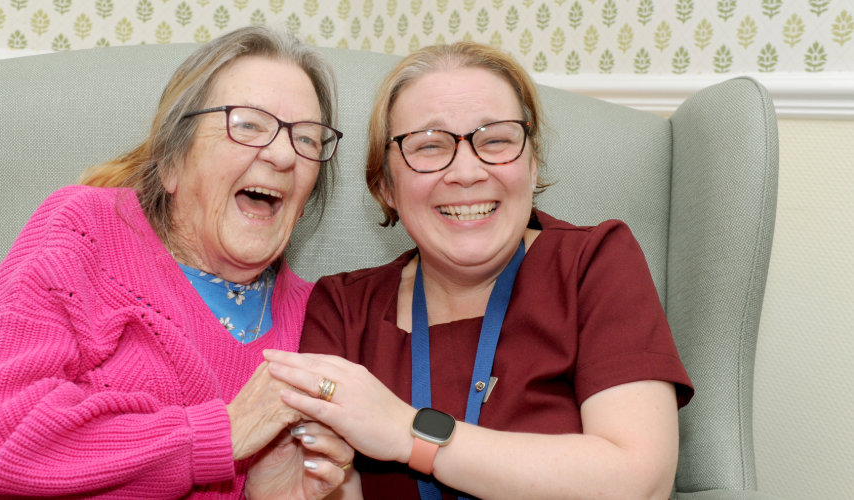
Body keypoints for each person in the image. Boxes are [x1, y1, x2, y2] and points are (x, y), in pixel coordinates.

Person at [0, 26, 353, 500]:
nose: (283, 154)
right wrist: (223, 432)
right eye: (249, 124)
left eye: (307, 140)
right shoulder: (85, 233)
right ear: (172, 163)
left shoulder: (318, 321)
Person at [263, 41, 694, 500]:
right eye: (429, 146)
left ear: (531, 164)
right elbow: (321, 486)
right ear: (385, 185)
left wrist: (406, 431)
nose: (466, 172)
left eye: (496, 140)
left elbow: (639, 482)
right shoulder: (343, 310)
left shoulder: (593, 264)